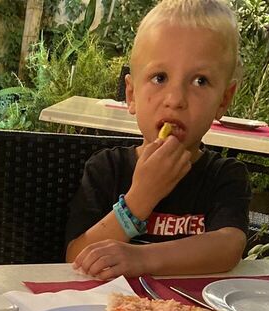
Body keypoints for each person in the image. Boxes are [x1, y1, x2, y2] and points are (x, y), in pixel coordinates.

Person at [66, 0, 250, 281]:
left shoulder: (224, 175)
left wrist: (140, 258)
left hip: (189, 307)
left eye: (200, 81)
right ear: (131, 95)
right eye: (159, 78)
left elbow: (228, 246)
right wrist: (140, 198)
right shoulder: (107, 168)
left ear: (223, 100)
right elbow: (76, 259)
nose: (175, 100)